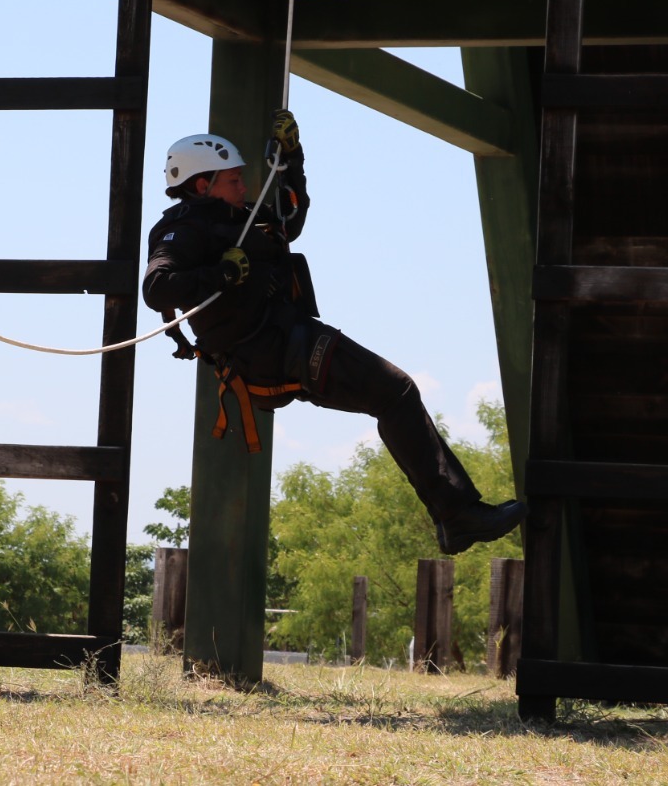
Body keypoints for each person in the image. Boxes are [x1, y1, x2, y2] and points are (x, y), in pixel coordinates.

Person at [142, 111, 525, 555]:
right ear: (201, 184)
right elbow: (156, 288)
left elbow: (289, 221)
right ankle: (457, 517)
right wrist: (221, 273)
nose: (243, 185)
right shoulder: (183, 230)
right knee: (395, 392)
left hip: (286, 341)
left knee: (393, 394)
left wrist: (293, 158)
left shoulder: (241, 217)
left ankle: (456, 516)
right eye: (233, 179)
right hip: (272, 350)